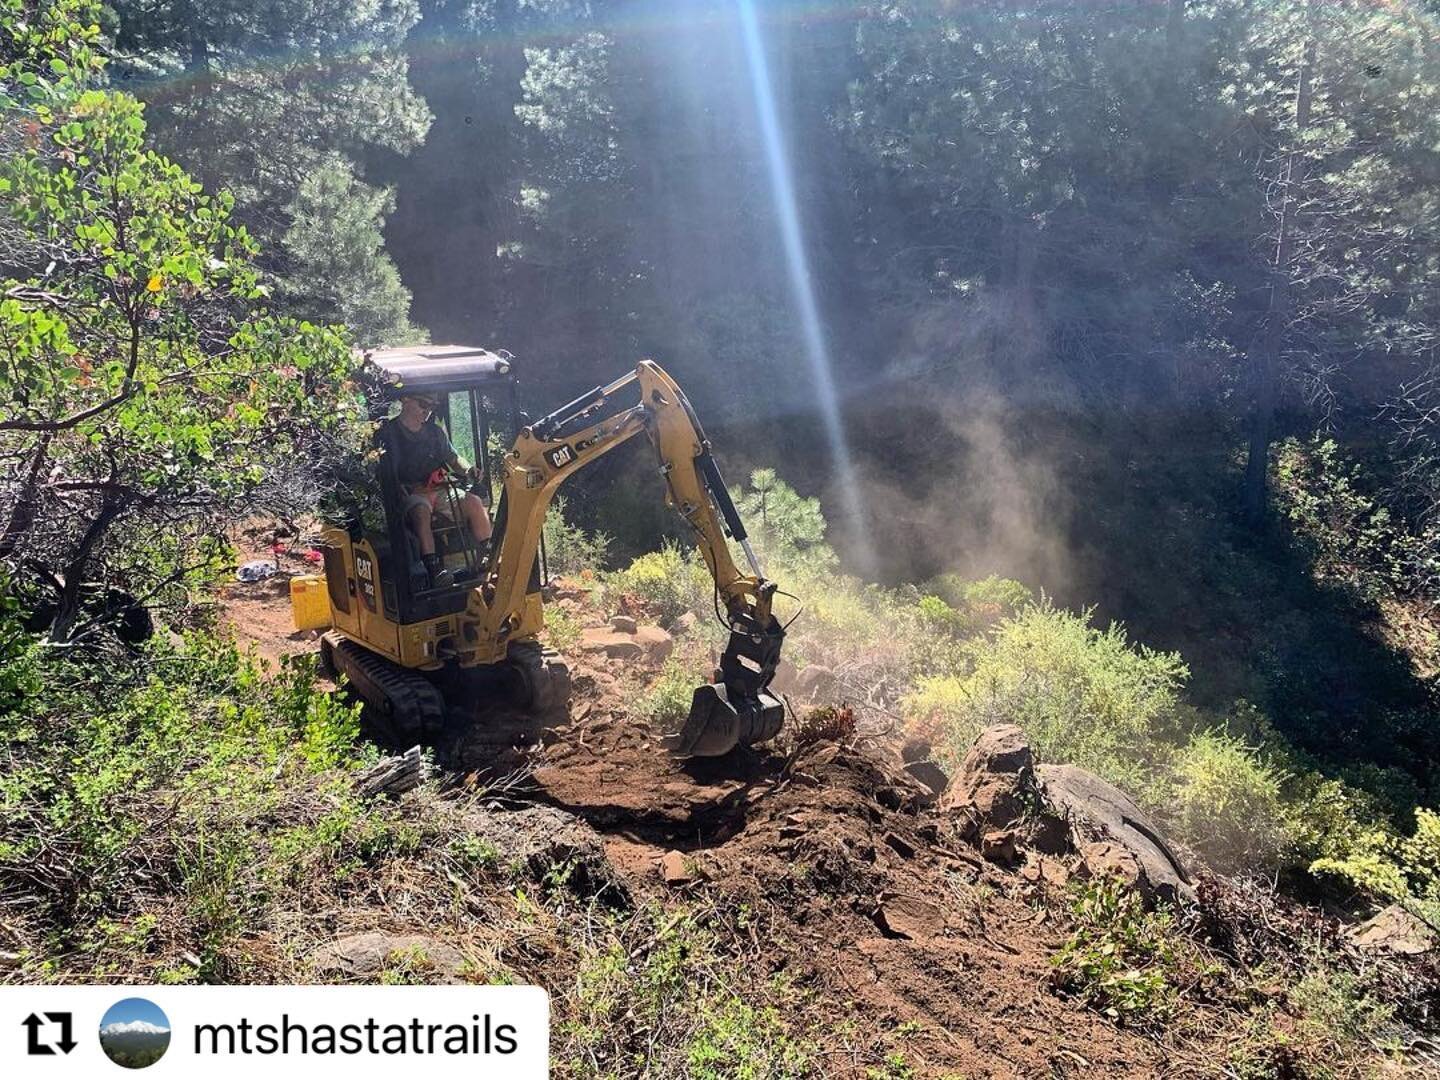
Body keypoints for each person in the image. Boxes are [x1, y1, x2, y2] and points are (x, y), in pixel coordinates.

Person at [378, 393, 493, 586]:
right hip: (412, 494)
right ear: (406, 400)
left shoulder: (434, 433)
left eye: (432, 407)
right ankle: (433, 569)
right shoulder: (388, 434)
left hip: (440, 490)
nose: (427, 411)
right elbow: (383, 471)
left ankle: (488, 556)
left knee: (474, 502)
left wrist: (468, 469)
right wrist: (400, 489)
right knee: (421, 513)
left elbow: (454, 458)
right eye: (423, 404)